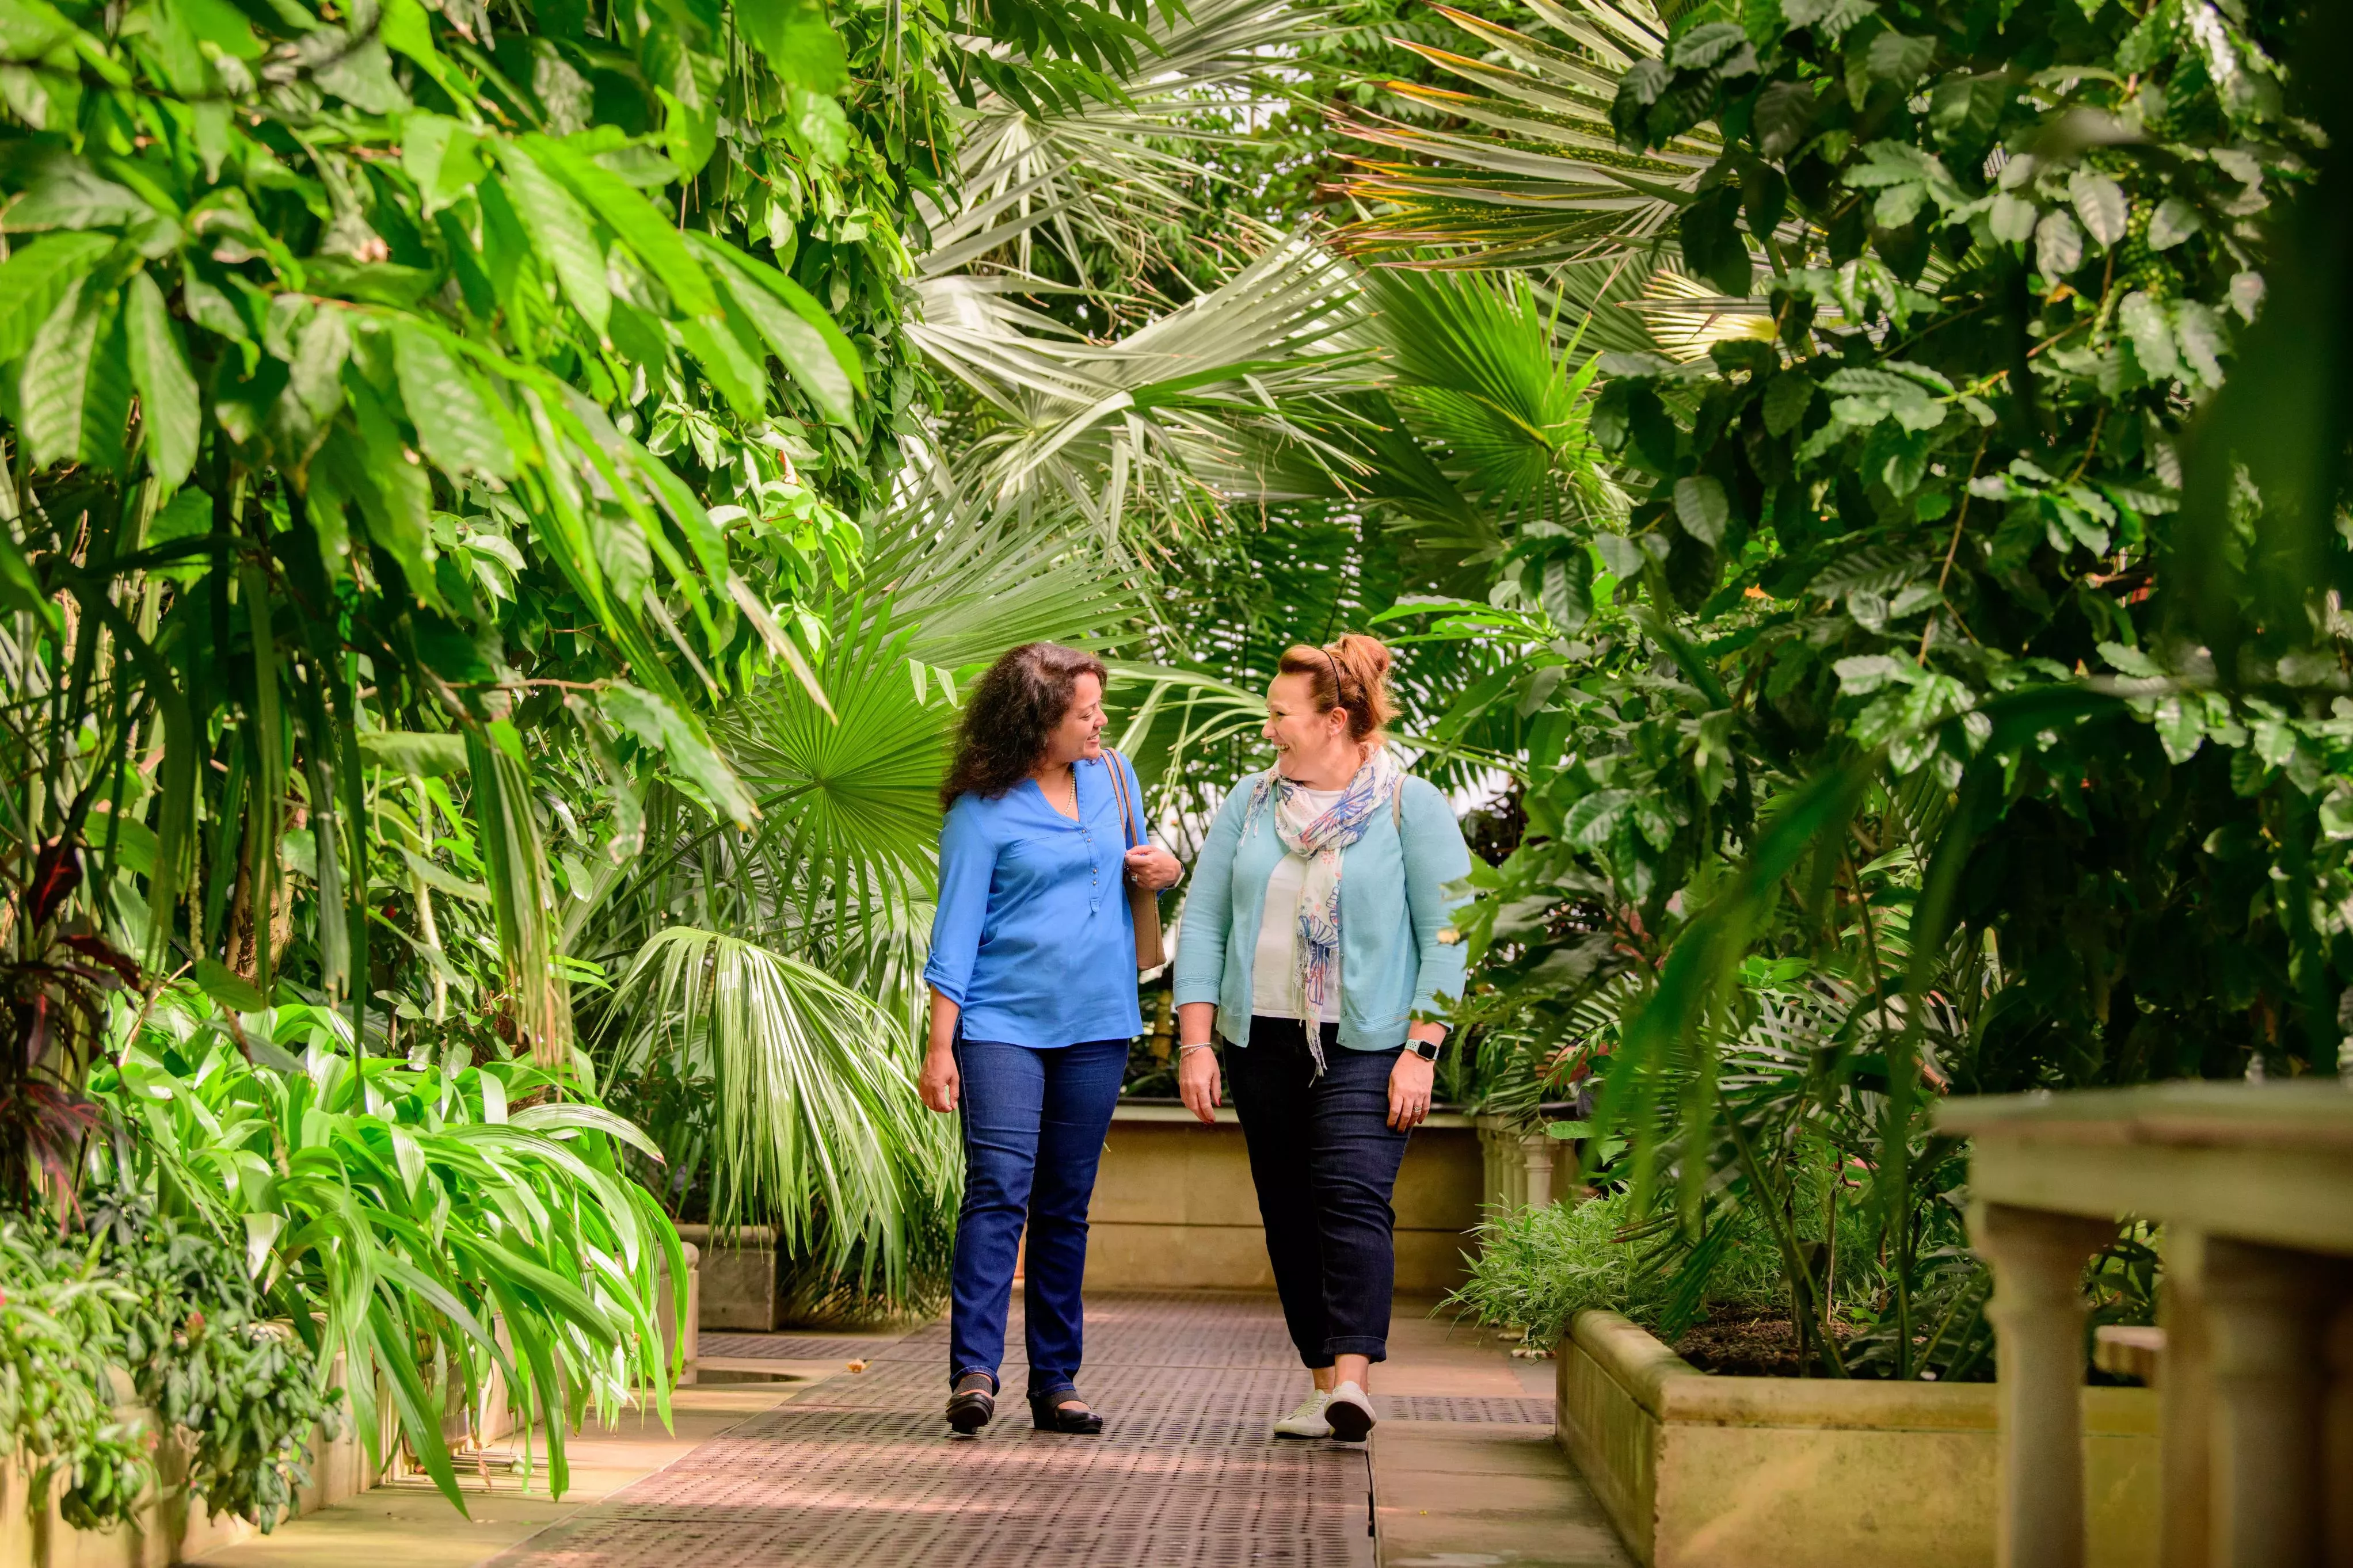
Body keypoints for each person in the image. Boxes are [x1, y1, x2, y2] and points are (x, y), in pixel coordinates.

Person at [1170, 633, 1471, 1444]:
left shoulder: (1412, 806)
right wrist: (1197, 1042)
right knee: (1290, 1213)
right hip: (1259, 1039)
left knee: (1351, 1198)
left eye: (1280, 714)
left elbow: (1448, 934)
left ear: (1334, 720)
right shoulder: (1251, 803)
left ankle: (1353, 1381)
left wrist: (1421, 1050)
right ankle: (1319, 1383)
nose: (1268, 728)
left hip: (1368, 1043)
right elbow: (1202, 922)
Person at [920, 642, 1183, 1438]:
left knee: (1066, 1206)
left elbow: (1143, 868)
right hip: (1002, 1025)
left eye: (1100, 707)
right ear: (1039, 722)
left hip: (1099, 1022)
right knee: (999, 1188)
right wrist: (940, 1049)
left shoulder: (1116, 778)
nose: (1101, 720)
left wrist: (1165, 870)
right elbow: (955, 933)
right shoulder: (981, 812)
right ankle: (974, 1372)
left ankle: (1056, 1382)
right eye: (1085, 712)